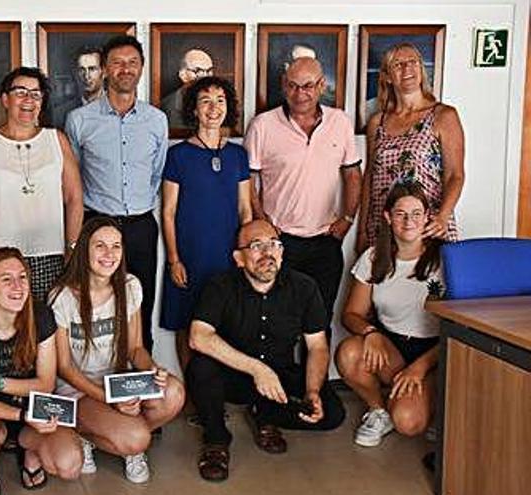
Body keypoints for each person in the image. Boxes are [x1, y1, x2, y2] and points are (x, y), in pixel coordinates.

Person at [186, 220, 345, 481]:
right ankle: (216, 440)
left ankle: (265, 415)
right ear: (239, 258)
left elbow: (317, 346)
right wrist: (257, 369)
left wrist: (313, 390)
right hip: (235, 376)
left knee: (331, 413)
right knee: (201, 368)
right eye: (256, 246)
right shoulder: (221, 285)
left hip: (278, 380)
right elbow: (198, 337)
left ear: (282, 252)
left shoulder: (304, 287)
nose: (267, 253)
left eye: (273, 245)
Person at [50, 217, 185, 484]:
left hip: (118, 381)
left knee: (174, 393)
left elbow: (135, 348)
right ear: (84, 249)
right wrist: (107, 399)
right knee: (138, 439)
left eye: (116, 246)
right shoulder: (62, 296)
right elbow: (63, 367)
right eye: (100, 246)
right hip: (79, 389)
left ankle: (117, 435)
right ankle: (93, 435)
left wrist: (151, 369)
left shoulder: (130, 286)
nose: (109, 254)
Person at [246, 56, 362, 341]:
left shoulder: (340, 122)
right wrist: (262, 221)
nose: (301, 94)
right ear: (284, 86)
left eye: (308, 86)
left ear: (322, 85)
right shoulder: (263, 125)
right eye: (293, 86)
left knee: (319, 321)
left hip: (325, 240)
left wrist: (348, 219)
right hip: (280, 242)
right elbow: (248, 181)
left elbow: (353, 175)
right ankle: (280, 384)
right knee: (276, 320)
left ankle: (316, 386)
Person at [66, 35, 169, 353]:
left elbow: (156, 175)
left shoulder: (157, 120)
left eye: (132, 62)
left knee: (142, 301)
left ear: (141, 69)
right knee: (96, 304)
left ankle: (141, 375)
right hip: (96, 224)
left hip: (140, 226)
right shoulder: (79, 120)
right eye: (117, 62)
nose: (126, 69)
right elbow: (73, 179)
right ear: (105, 70)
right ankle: (96, 377)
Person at [0, 247, 82, 495]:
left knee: (69, 464)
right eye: (6, 279)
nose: (18, 286)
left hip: (35, 409)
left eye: (22, 277)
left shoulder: (41, 314)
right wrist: (22, 415)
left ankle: (30, 453)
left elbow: (45, 383)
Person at [0, 67, 83, 301]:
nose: (29, 100)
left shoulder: (56, 139)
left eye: (36, 94)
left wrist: (72, 249)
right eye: (21, 92)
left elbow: (74, 198)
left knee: (48, 329)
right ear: (5, 99)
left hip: (51, 256)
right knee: (4, 328)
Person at [337, 182, 444, 448]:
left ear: (428, 217)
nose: (409, 221)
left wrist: (419, 368)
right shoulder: (373, 257)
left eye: (416, 213)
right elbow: (351, 314)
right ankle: (378, 410)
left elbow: (460, 331)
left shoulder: (445, 259)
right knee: (349, 352)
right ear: (388, 216)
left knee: (408, 422)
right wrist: (370, 332)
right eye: (400, 213)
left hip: (435, 352)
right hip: (391, 346)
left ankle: (430, 405)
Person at [160, 76, 252, 371]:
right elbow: (168, 212)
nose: (214, 108)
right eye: (205, 101)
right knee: (186, 324)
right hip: (189, 255)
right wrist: (174, 259)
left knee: (226, 322)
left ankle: (219, 393)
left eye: (220, 101)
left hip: (228, 256)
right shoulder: (178, 155)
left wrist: (245, 255)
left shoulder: (238, 155)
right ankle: (192, 394)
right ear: (194, 110)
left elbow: (245, 209)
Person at [357, 42, 465, 255]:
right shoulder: (377, 122)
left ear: (421, 70)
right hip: (383, 226)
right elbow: (370, 177)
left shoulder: (443, 116)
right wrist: (362, 231)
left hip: (428, 226)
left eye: (412, 62)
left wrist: (442, 216)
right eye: (398, 65)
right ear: (388, 76)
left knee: (430, 286)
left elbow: (456, 175)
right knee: (383, 286)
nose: (407, 69)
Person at [50, 46, 105, 129]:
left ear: (104, 72)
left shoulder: (118, 107)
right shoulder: (60, 114)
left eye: (92, 69)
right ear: (75, 73)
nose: (87, 76)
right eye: (82, 70)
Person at [159, 48, 214, 129]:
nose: (205, 76)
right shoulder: (164, 109)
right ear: (183, 75)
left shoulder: (219, 105)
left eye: (209, 71)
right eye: (198, 71)